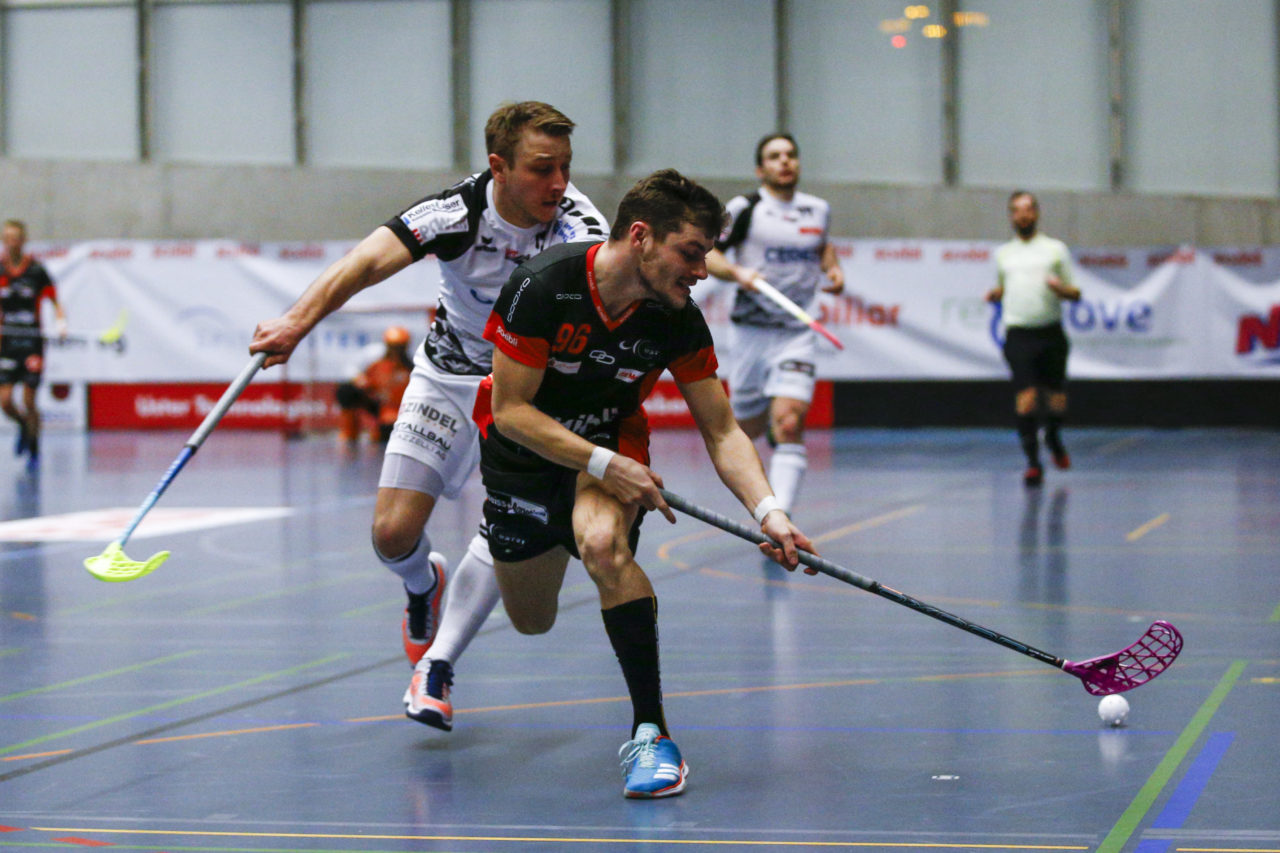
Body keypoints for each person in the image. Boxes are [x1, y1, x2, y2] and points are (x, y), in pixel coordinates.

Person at [455, 169, 816, 798]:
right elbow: (511, 411)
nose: (702, 270)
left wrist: (770, 512)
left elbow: (723, 431)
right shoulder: (544, 286)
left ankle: (652, 733)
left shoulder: (675, 316)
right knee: (531, 619)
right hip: (523, 454)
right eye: (693, 252)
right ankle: (480, 560)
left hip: (610, 438)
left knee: (602, 544)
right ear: (642, 237)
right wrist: (598, 462)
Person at [249, 102, 608, 730]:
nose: (558, 185)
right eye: (541, 169)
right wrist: (296, 322)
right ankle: (423, 583)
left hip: (525, 395)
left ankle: (437, 665)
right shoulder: (456, 213)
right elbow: (363, 264)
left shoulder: (581, 228)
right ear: (498, 167)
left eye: (566, 169)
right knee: (391, 535)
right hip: (446, 375)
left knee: (505, 521)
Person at [704, 133, 844, 517]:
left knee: (789, 421)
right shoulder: (745, 208)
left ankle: (779, 517)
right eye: (774, 156)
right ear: (760, 168)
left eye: (790, 155)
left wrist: (833, 268)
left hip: (798, 332)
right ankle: (763, 434)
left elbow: (822, 245)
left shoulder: (817, 210)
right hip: (751, 333)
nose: (785, 161)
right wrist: (735, 272)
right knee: (744, 427)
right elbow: (709, 250)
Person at [985, 190, 1081, 487]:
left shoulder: (1055, 250)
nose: (1022, 215)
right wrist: (996, 294)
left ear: (1036, 214)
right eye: (1016, 210)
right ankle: (1033, 463)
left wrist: (1060, 289)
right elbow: (1001, 287)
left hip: (1050, 332)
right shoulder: (1003, 255)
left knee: (1055, 401)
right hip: (1018, 334)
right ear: (1011, 216)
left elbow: (1076, 292)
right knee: (1025, 400)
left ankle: (1053, 437)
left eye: (1028, 209)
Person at [1, 219, 67, 471]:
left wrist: (61, 323)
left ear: (24, 240)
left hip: (31, 343)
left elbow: (55, 301)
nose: (12, 242)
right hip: (7, 343)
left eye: (16, 237)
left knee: (30, 400)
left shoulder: (36, 270)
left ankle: (35, 444)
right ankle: (22, 428)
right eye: (7, 238)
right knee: (5, 401)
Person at [335, 325, 414, 445]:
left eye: (400, 347)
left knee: (388, 432)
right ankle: (349, 432)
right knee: (346, 391)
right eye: (393, 347)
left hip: (396, 407)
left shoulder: (412, 363)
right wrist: (361, 380)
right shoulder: (373, 355)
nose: (396, 351)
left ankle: (379, 430)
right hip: (374, 398)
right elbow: (350, 369)